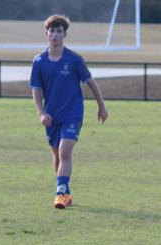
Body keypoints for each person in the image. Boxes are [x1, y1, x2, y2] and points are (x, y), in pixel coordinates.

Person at [30, 14, 108, 209]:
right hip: (52, 115)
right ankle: (66, 191)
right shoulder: (39, 61)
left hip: (73, 113)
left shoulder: (74, 60)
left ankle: (59, 193)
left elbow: (91, 83)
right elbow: (36, 89)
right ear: (46, 34)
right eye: (52, 31)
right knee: (57, 155)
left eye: (59, 31)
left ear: (65, 35)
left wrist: (102, 106)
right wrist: (41, 113)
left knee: (65, 151)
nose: (55, 34)